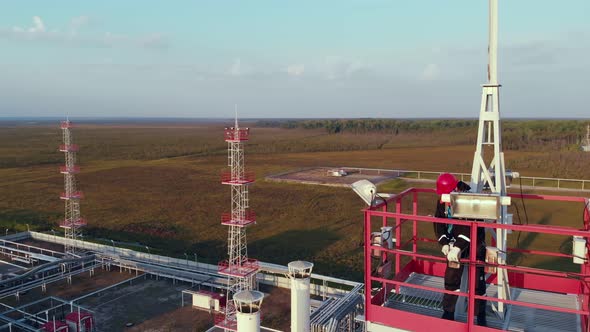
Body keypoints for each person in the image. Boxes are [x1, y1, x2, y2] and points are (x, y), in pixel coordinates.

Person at [434, 173, 487, 326]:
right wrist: (444, 242)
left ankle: (480, 315)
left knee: (477, 281)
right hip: (453, 242)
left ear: (455, 188)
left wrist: (457, 247)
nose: (445, 199)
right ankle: (448, 312)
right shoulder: (443, 200)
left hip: (473, 242)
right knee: (451, 277)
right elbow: (438, 222)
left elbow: (468, 227)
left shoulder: (467, 199)